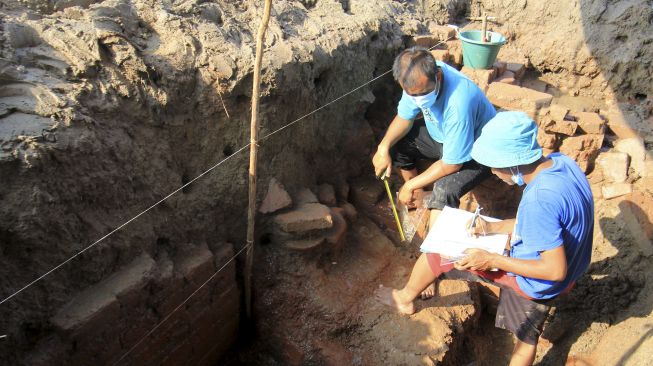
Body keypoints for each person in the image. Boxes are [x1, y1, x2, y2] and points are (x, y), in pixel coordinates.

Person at [375, 111, 594, 366]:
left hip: (540, 282)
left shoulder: (538, 200)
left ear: (511, 163)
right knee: (526, 338)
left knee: (436, 254)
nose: (492, 171)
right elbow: (551, 223)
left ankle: (404, 299)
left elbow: (554, 270)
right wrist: (494, 228)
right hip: (571, 271)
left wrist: (491, 258)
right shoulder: (562, 163)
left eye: (494, 165)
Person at [372, 46, 496, 218]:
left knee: (443, 190)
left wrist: (408, 186)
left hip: (477, 151)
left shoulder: (459, 103)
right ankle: (418, 198)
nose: (419, 100)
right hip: (443, 136)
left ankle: (433, 241)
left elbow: (452, 164)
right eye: (412, 95)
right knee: (396, 145)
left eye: (424, 93)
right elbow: (404, 118)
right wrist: (383, 147)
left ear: (438, 76)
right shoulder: (414, 77)